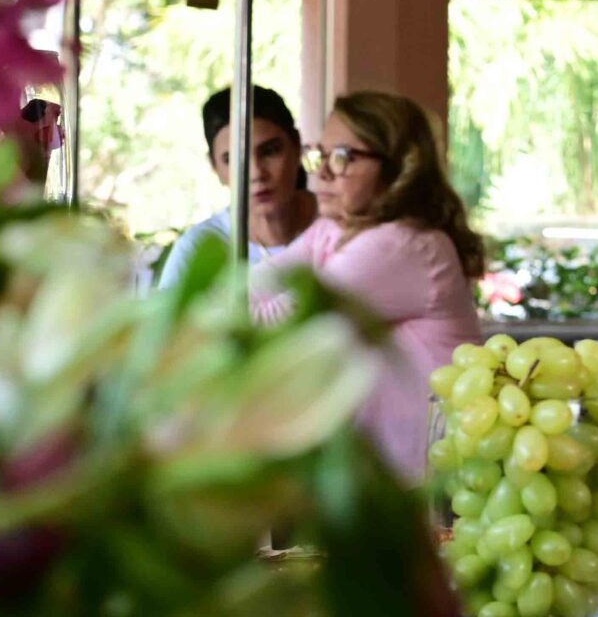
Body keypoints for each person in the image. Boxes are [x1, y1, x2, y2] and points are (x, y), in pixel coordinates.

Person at [253, 90, 484, 479]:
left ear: (397, 168)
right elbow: (249, 288)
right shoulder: (333, 230)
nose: (322, 173)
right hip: (391, 474)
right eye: (321, 154)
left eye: (343, 157)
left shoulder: (402, 245)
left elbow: (278, 326)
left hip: (435, 483)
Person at [156, 85, 319, 289]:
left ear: (296, 146)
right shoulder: (197, 251)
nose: (256, 173)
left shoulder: (341, 224)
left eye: (270, 151)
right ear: (215, 167)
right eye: (233, 160)